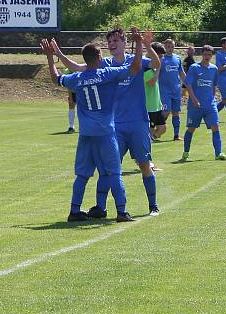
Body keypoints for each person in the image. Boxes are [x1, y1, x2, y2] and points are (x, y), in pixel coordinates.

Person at [53, 27, 162, 216]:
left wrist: (144, 44)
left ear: (125, 43)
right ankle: (101, 207)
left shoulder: (134, 60)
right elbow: (78, 68)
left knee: (144, 164)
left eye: (116, 41)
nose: (112, 45)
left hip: (137, 122)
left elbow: (155, 62)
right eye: (109, 42)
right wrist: (58, 54)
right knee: (108, 169)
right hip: (114, 126)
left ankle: (153, 205)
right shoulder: (105, 65)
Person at [180, 45, 226, 162]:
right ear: (202, 54)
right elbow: (188, 84)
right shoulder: (194, 67)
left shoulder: (214, 69)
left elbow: (213, 85)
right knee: (191, 129)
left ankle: (219, 153)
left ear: (212, 55)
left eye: (209, 55)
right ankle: (186, 153)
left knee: (216, 127)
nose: (207, 57)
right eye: (205, 54)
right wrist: (193, 99)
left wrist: (212, 99)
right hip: (195, 105)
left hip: (209, 105)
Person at [158, 39, 186, 141]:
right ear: (165, 47)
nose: (170, 48)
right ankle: (157, 128)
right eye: (168, 46)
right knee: (166, 111)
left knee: (176, 112)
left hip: (176, 90)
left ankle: (176, 135)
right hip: (164, 90)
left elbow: (182, 73)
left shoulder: (177, 58)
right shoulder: (161, 59)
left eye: (172, 46)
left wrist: (187, 85)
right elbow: (156, 74)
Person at [145, 42, 167, 143]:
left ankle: (150, 139)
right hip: (149, 106)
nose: (161, 59)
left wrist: (159, 102)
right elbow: (151, 83)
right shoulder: (146, 68)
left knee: (163, 128)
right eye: (160, 56)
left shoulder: (152, 68)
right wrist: (158, 69)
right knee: (151, 129)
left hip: (156, 105)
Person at [64, 67, 77, 133]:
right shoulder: (67, 72)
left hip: (82, 91)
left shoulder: (80, 70)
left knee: (84, 109)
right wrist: (70, 97)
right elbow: (69, 86)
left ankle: (86, 126)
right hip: (73, 92)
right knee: (71, 107)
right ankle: (71, 126)